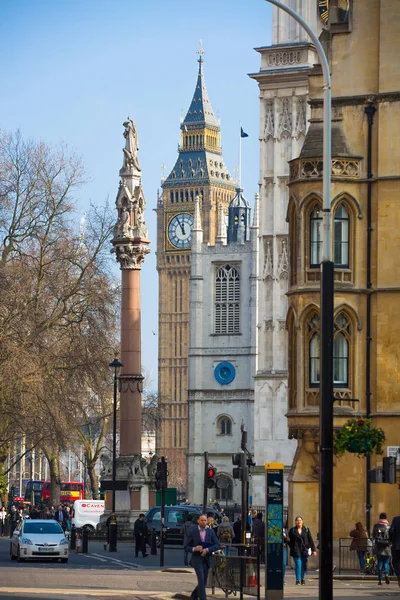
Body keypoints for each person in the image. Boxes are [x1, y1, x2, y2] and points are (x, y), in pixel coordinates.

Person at [185, 514, 221, 600]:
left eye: (205, 520)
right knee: (201, 579)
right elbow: (186, 546)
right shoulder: (193, 532)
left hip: (206, 559)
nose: (203, 522)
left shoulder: (210, 532)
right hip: (197, 559)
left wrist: (207, 550)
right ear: (198, 521)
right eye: (202, 520)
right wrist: (194, 548)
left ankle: (194, 596)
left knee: (203, 582)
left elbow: (217, 544)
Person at [288, 515, 317, 585]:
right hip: (296, 550)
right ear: (295, 522)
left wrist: (314, 550)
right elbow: (290, 541)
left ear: (302, 521)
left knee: (304, 565)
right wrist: (292, 546)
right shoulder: (292, 530)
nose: (299, 522)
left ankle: (303, 579)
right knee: (298, 564)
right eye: (297, 520)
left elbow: (310, 540)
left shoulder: (306, 529)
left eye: (300, 520)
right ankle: (298, 580)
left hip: (304, 550)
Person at [372, 512, 391, 585]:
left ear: (380, 518)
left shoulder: (376, 526)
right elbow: (391, 535)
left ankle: (380, 580)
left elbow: (373, 535)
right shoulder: (389, 526)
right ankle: (386, 574)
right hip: (387, 547)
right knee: (386, 562)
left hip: (379, 546)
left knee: (380, 562)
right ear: (386, 518)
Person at [389, 514, 400, 588]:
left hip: (397, 546)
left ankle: (399, 576)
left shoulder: (396, 519)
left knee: (396, 563)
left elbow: (391, 532)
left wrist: (392, 541)